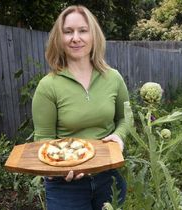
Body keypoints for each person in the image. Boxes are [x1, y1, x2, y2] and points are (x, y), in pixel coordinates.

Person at [31, 5, 129, 210]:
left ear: (94, 35)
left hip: (108, 177)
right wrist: (61, 167)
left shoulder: (113, 78)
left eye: (83, 30)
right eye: (68, 32)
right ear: (60, 38)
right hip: (65, 186)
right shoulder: (48, 86)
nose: (75, 38)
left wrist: (119, 136)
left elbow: (125, 118)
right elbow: (44, 140)